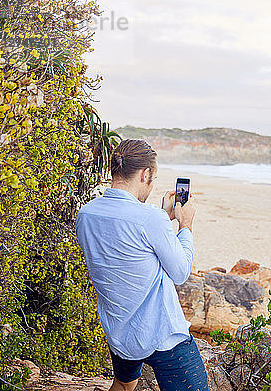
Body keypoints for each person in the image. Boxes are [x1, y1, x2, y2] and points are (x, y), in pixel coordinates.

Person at [75, 139, 209, 391]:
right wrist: (185, 225)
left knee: (124, 386)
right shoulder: (149, 220)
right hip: (161, 335)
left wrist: (162, 215)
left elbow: (130, 247)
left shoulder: (86, 214)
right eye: (153, 178)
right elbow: (180, 273)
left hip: (119, 331)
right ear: (145, 174)